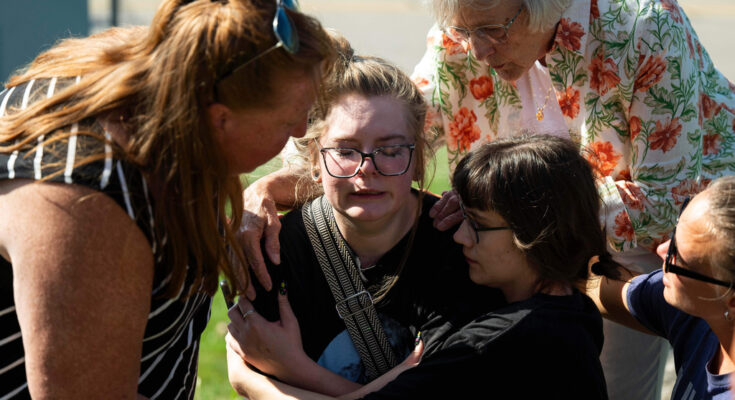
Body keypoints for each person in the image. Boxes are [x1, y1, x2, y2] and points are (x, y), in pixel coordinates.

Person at [0, 0, 335, 397]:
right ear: (220, 119)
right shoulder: (87, 201)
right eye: (288, 120)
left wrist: (266, 187)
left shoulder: (173, 79)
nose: (299, 130)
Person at [410, 1, 735, 397]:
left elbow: (666, 201)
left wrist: (517, 211)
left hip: (638, 246)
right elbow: (405, 130)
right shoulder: (465, 25)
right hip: (520, 242)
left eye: (493, 30)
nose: (477, 50)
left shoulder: (644, 24)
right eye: (464, 31)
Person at [227, 134, 618, 399]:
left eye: (477, 224)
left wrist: (273, 372)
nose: (460, 235)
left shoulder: (499, 341)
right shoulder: (574, 311)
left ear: (533, 234)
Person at [224, 49, 502, 396]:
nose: (366, 168)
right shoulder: (274, 252)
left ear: (418, 159)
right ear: (314, 159)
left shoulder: (461, 250)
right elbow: (248, 376)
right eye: (345, 151)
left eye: (390, 150)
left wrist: (293, 369)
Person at [588, 175, 735, 399]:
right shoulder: (697, 313)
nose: (662, 250)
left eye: (679, 256)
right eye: (676, 232)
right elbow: (598, 287)